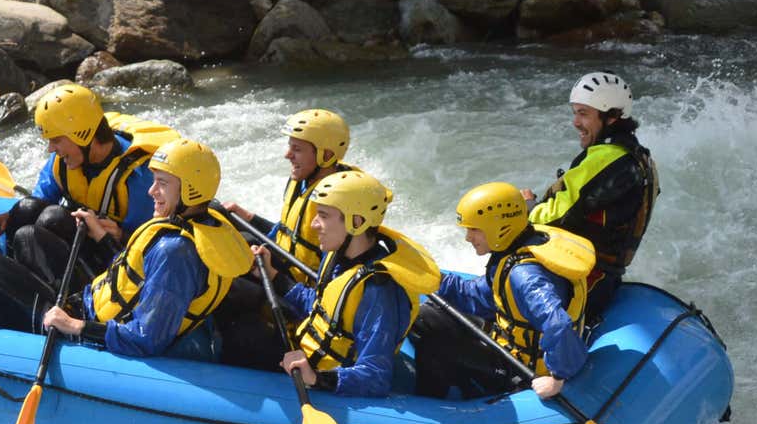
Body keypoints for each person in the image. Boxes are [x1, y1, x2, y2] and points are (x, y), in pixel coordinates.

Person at [0, 138, 253, 360]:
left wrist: (76, 326)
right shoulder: (195, 223)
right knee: (27, 236)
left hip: (95, 333)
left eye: (163, 184)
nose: (151, 191)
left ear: (191, 190)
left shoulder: (177, 254)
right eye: (154, 180)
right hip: (95, 304)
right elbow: (137, 277)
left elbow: (147, 338)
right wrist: (101, 238)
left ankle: (3, 358)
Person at [412, 181, 594, 401]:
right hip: (507, 339)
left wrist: (556, 377)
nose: (468, 237)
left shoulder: (525, 277)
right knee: (427, 316)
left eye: (474, 230)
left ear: (498, 227)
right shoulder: (518, 247)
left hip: (520, 368)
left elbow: (558, 324)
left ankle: (433, 410)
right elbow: (480, 296)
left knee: (435, 348)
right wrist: (430, 278)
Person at [269, 169, 440, 398]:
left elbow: (375, 375)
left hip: (328, 378)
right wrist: (275, 277)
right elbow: (322, 307)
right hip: (304, 351)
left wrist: (317, 378)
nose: (313, 225)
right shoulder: (338, 255)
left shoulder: (378, 289)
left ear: (356, 222)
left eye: (323, 215)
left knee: (244, 337)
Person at [0, 81, 157, 292]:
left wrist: (122, 236)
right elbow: (39, 200)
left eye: (56, 140)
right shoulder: (66, 160)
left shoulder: (140, 178)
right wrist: (10, 216)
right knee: (28, 210)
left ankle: (64, 302)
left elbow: (150, 253)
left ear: (83, 134)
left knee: (41, 227)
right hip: (82, 242)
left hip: (116, 260)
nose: (51, 149)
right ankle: (14, 276)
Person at [524, 71, 658, 322]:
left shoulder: (606, 158)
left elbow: (556, 217)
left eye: (583, 113)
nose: (575, 122)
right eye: (575, 112)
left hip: (583, 281)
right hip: (605, 277)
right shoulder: (640, 155)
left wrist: (527, 206)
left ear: (612, 117)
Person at [224, 108, 357, 273]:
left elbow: (330, 278)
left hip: (301, 286)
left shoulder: (338, 202)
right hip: (286, 262)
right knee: (225, 224)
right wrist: (249, 218)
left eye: (297, 149)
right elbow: (289, 234)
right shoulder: (302, 180)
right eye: (289, 147)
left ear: (326, 155)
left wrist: (274, 276)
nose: (288, 155)